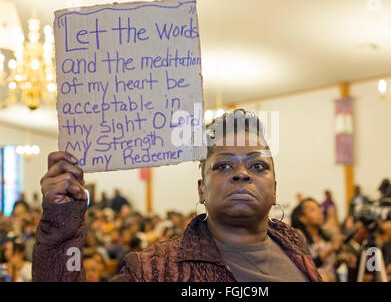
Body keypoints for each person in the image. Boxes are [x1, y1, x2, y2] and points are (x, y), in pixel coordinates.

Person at [33, 109, 322, 282]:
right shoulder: (156, 269)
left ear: (274, 189)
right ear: (201, 189)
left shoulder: (293, 244)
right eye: (223, 165)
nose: (242, 173)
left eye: (258, 165)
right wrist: (61, 221)